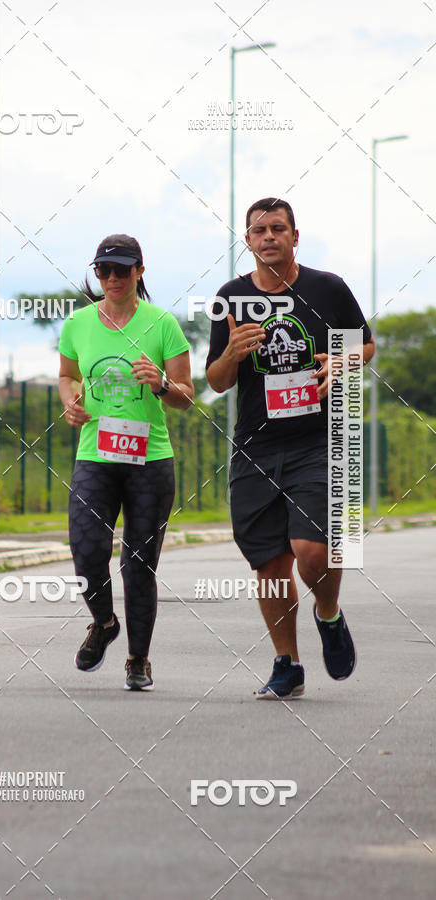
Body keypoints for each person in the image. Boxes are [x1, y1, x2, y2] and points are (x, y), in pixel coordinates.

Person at [205, 198, 375, 699]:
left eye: (278, 228)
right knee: (271, 563)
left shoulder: (327, 288)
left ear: (294, 237)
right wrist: (232, 354)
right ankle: (288, 664)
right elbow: (215, 381)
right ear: (248, 241)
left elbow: (364, 346)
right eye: (259, 230)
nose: (269, 237)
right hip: (257, 446)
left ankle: (329, 613)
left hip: (320, 440)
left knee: (312, 550)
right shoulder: (230, 298)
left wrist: (340, 362)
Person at [59, 234, 193, 690]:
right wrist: (70, 404)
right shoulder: (77, 324)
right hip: (95, 454)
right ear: (96, 274)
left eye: (122, 269)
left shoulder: (163, 325)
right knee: (86, 549)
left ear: (140, 270)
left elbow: (186, 398)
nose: (112, 278)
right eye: (104, 270)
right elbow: (66, 375)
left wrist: (159, 384)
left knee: (139, 563)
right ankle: (104, 622)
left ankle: (138, 659)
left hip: (149, 459)